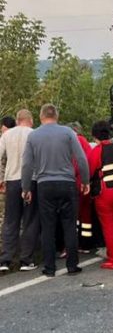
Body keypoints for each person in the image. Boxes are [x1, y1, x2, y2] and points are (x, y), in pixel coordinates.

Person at [21, 104, 90, 277]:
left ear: (41, 116)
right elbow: (81, 158)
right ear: (56, 116)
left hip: (44, 185)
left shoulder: (33, 135)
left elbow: (27, 164)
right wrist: (85, 180)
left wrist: (26, 187)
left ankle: (50, 268)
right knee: (69, 225)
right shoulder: (68, 133)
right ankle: (72, 266)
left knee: (48, 227)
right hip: (67, 183)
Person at [0, 110, 39, 272]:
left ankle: (5, 259)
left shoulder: (6, 136)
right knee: (30, 220)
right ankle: (26, 259)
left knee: (10, 220)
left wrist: (1, 178)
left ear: (17, 120)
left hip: (11, 180)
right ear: (30, 120)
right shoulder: (34, 134)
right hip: (31, 179)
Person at [88, 121, 113, 270]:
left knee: (108, 226)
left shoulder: (98, 150)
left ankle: (112, 260)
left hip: (106, 192)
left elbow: (90, 171)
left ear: (94, 136)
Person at [68, 122, 93, 252]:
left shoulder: (75, 141)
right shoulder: (86, 142)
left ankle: (74, 244)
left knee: (74, 216)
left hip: (76, 183)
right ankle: (86, 244)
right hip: (86, 182)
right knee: (86, 215)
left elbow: (76, 163)